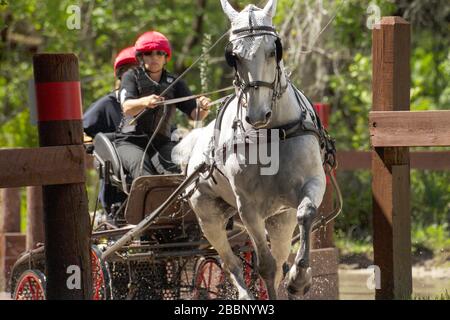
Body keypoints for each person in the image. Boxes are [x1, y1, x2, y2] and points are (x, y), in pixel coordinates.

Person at [116, 31, 211, 179]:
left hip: (162, 143)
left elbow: (195, 115)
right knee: (143, 173)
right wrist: (144, 102)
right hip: (130, 142)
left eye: (159, 53)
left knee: (180, 175)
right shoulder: (131, 76)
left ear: (165, 57)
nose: (154, 58)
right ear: (141, 57)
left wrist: (203, 107)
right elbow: (127, 107)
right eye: (149, 53)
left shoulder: (175, 81)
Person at [83, 47, 138, 216]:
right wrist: (91, 143)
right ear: (121, 77)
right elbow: (81, 131)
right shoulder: (105, 105)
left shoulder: (153, 104)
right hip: (118, 185)